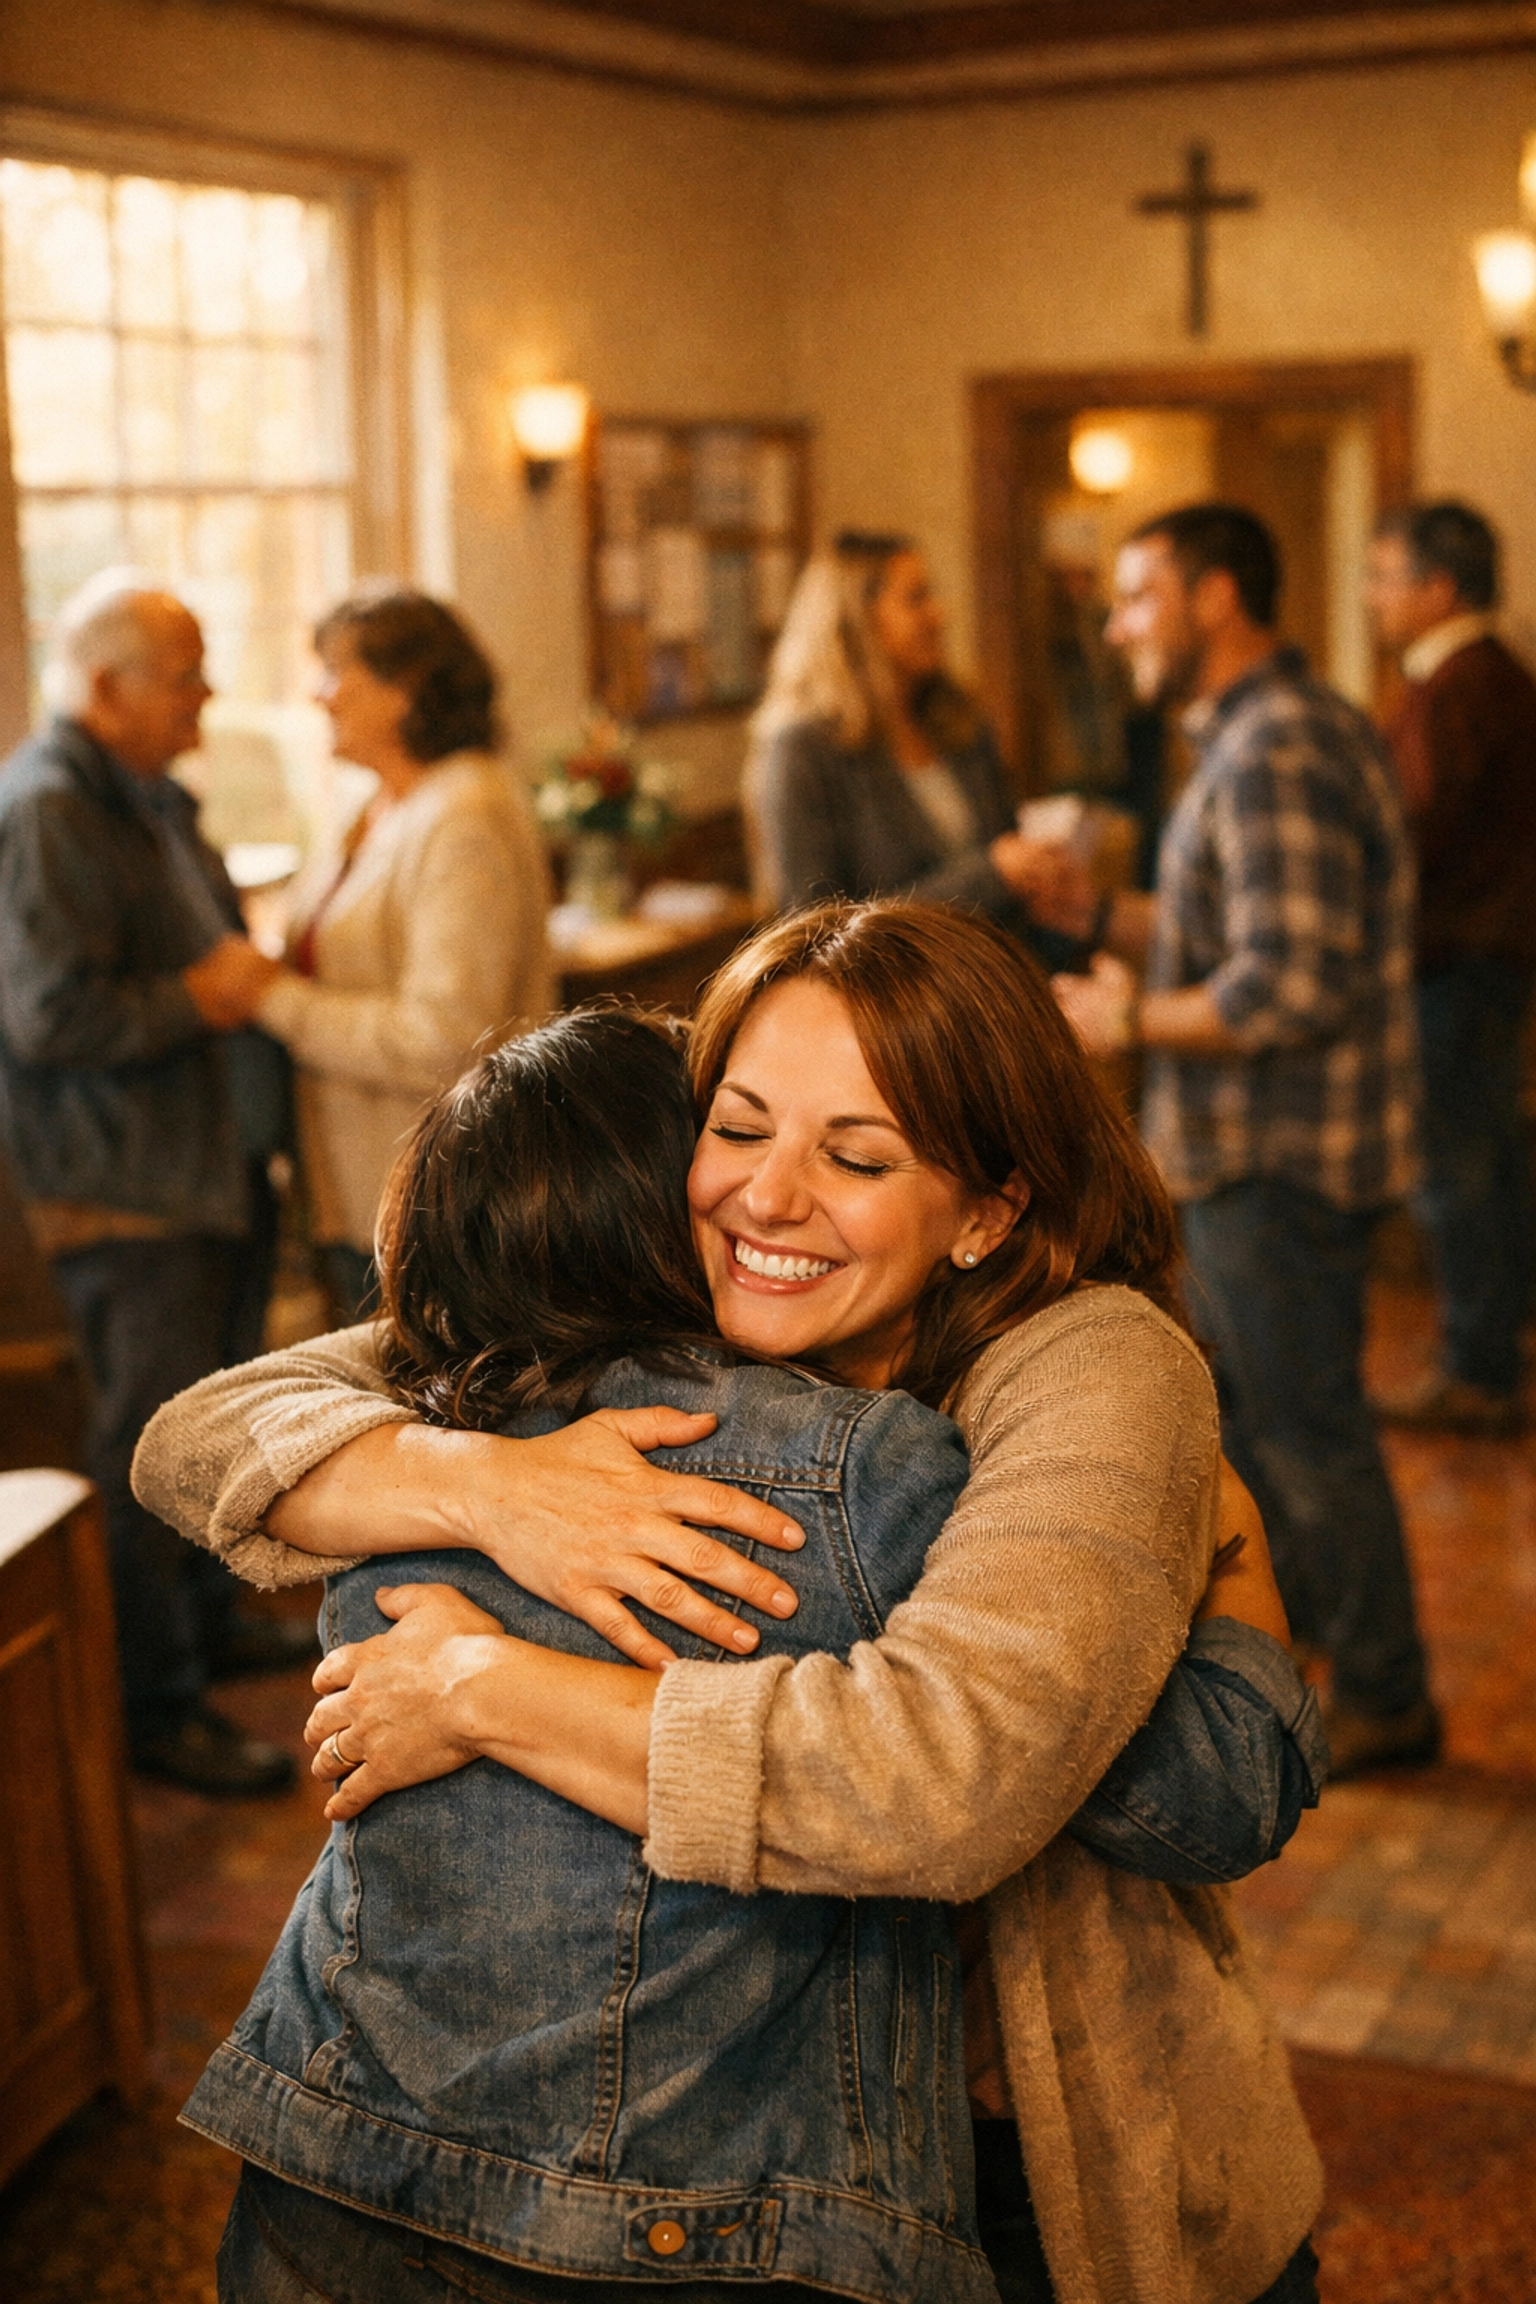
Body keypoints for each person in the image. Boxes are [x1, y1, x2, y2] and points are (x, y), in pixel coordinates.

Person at [138, 904, 1326, 2304]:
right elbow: (199, 1437)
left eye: (857, 1157)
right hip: (692, 2154)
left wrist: (483, 1689)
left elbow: (1008, 1779)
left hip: (1023, 2131)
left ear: (988, 1212)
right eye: (739, 1127)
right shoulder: (670, 1286)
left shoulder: (1087, 1364)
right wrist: (484, 1485)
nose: (768, 1197)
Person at [1037, 504, 1434, 1784]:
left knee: (1310, 1437)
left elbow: (1291, 982)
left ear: (1215, 597)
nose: (1117, 627)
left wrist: (1125, 1018)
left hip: (1278, 1162)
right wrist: (1102, 911)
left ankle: (1387, 1694)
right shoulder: (1258, 737)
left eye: (1137, 596)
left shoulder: (1276, 747)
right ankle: (1308, 1655)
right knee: (1267, 1428)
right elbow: (1229, 926)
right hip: (1250, 1159)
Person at [0, 569, 308, 1796]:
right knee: (148, 1446)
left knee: (208, 1428)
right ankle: (155, 1706)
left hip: (203, 1171)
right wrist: (197, 997)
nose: (205, 697)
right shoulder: (47, 810)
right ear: (105, 686)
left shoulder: (143, 795)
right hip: (127, 1190)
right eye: (184, 678)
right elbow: (45, 1016)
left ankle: (207, 1629)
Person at [250, 585, 554, 1321]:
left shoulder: (464, 815)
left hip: (443, 1194)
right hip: (363, 1182)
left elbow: (447, 1037)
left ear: (405, 686)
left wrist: (270, 999)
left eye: (335, 671)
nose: (319, 694)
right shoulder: (375, 806)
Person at [1365, 500, 1536, 1434]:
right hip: (1487, 960)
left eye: (1384, 577)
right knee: (1490, 1161)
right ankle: (1493, 1350)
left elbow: (1410, 833)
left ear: (1440, 587)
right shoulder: (1494, 675)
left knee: (1458, 1169)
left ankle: (1479, 1368)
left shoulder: (1459, 685)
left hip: (1454, 964)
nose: (1372, 596)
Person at [745, 533, 1078, 957]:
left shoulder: (959, 722)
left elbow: (1009, 851)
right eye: (916, 598)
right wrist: (989, 877)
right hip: (891, 995)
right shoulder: (803, 751)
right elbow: (816, 930)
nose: (939, 613)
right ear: (856, 617)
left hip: (995, 973)